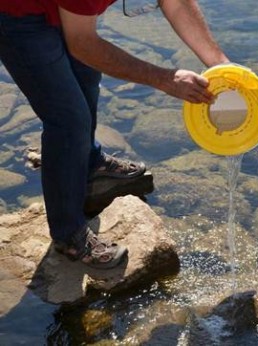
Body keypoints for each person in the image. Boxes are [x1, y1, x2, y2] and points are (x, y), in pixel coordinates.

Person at [0, 0, 230, 269]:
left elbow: (177, 4)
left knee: (85, 78)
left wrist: (222, 65)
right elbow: (83, 44)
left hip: (55, 7)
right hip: (16, 15)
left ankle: (89, 166)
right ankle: (68, 234)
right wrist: (165, 78)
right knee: (69, 119)